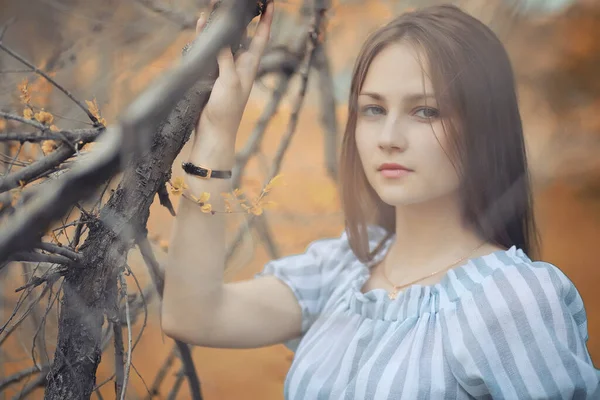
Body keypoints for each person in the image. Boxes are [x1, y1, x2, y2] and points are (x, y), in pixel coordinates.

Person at [162, 2, 600, 398]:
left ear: (484, 126)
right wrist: (218, 131)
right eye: (373, 109)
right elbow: (194, 314)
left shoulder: (508, 299)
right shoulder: (343, 270)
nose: (388, 139)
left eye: (425, 111)